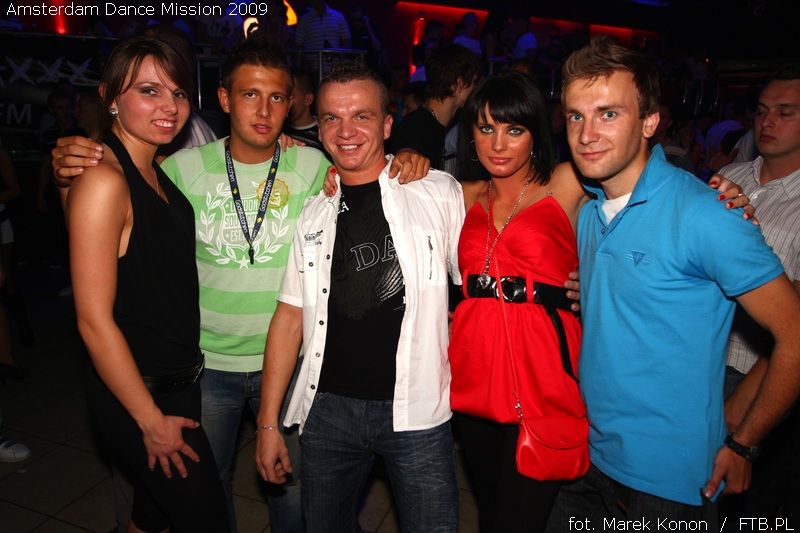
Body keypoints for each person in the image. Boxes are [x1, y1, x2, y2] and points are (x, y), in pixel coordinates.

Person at [52, 38, 430, 533]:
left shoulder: (315, 166)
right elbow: (101, 231)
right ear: (225, 99)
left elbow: (368, 179)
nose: (264, 110)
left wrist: (408, 156)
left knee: (292, 495)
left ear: (292, 105)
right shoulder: (177, 169)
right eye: (250, 94)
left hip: (290, 365)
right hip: (205, 367)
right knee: (203, 492)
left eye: (276, 97)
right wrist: (68, 169)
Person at [545, 37, 800, 530]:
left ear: (649, 122)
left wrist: (744, 443)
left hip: (667, 482)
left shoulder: (708, 215)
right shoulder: (590, 210)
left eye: (608, 114)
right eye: (576, 116)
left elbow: (794, 333)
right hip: (586, 453)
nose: (587, 134)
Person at [255, 60, 463, 532]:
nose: (345, 131)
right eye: (332, 117)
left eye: (361, 116)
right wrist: (268, 424)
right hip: (328, 410)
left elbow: (475, 278)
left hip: (418, 408)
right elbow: (289, 317)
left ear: (387, 125)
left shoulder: (437, 192)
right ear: (318, 127)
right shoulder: (315, 211)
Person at [66, 36, 229, 531]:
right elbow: (93, 322)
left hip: (177, 382)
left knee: (151, 518)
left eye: (178, 93)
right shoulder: (104, 180)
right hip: (140, 394)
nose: (170, 107)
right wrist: (150, 420)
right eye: (149, 91)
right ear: (110, 97)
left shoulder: (154, 169)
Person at [450, 71, 586, 532]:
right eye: (486, 128)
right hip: (475, 374)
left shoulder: (566, 183)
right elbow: (385, 189)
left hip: (543, 374)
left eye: (514, 129)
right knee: (491, 514)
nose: (498, 144)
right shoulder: (462, 195)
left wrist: (719, 192)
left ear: (536, 134)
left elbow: (638, 186)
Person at [721, 65, 800, 526]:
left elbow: (796, 324)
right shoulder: (730, 176)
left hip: (761, 378)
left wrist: (748, 398)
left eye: (785, 113)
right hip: (703, 361)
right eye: (763, 111)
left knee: (747, 509)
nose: (768, 122)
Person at [389, 44, 482, 169]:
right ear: (459, 84)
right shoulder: (416, 131)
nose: (475, 88)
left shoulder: (433, 125)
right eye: (474, 82)